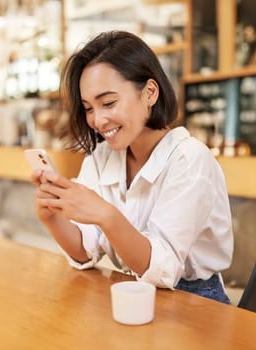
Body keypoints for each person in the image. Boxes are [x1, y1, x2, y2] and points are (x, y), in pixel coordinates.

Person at [31, 31, 234, 304]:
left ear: (149, 92)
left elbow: (163, 270)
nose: (97, 120)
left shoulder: (189, 160)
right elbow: (84, 250)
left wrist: (106, 215)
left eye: (109, 103)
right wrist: (52, 217)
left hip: (196, 301)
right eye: (88, 108)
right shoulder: (102, 158)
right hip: (135, 291)